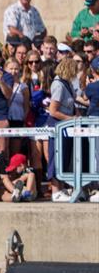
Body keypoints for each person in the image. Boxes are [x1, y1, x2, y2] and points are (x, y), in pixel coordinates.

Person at [46, 58, 79, 201]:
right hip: (57, 126)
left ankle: (62, 188)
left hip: (66, 127)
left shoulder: (68, 84)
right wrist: (70, 119)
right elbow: (53, 110)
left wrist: (76, 114)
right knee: (56, 157)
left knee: (64, 157)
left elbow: (72, 103)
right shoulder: (58, 85)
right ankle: (55, 190)